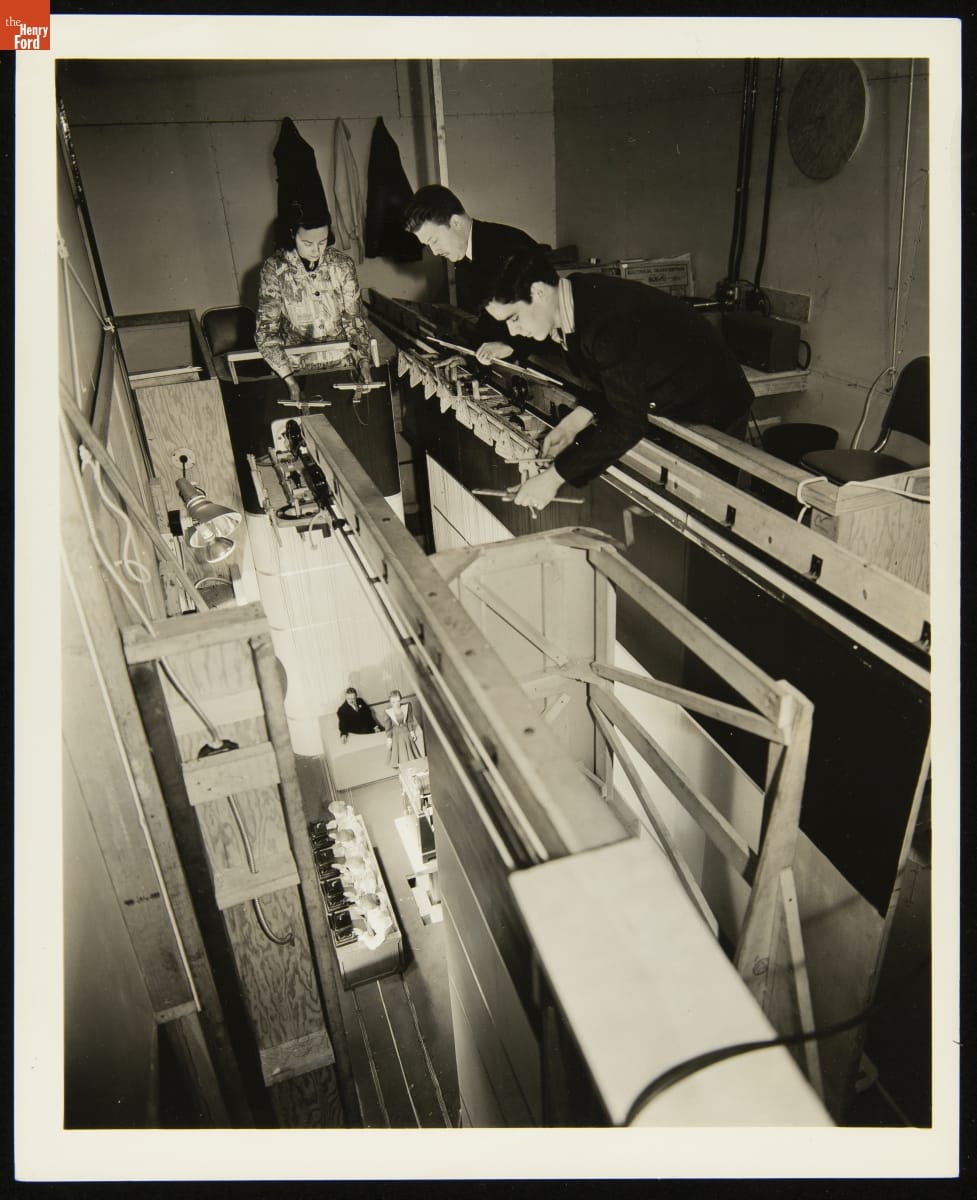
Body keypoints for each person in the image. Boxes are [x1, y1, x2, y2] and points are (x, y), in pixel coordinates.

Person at [483, 246, 755, 511]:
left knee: (692, 517)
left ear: (538, 292)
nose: (513, 331)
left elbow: (628, 422)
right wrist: (572, 425)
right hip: (668, 397)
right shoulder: (573, 300)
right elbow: (613, 378)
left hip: (711, 407)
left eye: (514, 317)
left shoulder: (606, 320)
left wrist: (553, 479)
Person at [402, 184, 542, 363]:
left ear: (455, 223)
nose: (435, 252)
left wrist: (512, 345)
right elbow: (487, 318)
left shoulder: (510, 246)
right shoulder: (466, 256)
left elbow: (545, 313)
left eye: (434, 240)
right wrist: (468, 357)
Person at [255, 199, 374, 405]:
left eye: (323, 241)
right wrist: (288, 379)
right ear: (293, 235)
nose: (317, 250)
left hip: (343, 365)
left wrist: (363, 360)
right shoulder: (274, 270)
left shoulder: (342, 265)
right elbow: (266, 332)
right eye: (308, 243)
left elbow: (355, 321)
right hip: (296, 370)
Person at [383, 689, 421, 770]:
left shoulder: (407, 706)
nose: (396, 704)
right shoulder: (387, 711)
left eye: (398, 701)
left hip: (406, 732)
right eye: (393, 702)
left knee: (411, 756)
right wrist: (389, 739)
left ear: (401, 699)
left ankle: (412, 771)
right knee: (401, 757)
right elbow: (388, 727)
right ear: (390, 702)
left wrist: (412, 732)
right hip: (396, 735)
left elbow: (410, 720)